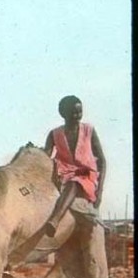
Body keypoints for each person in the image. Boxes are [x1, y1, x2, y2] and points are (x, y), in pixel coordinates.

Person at [42, 95, 107, 237]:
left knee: (74, 183)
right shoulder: (54, 134)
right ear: (63, 114)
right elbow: (46, 156)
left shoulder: (89, 130)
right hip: (63, 173)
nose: (78, 116)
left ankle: (54, 220)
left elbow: (101, 160)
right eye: (73, 113)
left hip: (86, 176)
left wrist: (100, 191)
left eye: (80, 112)